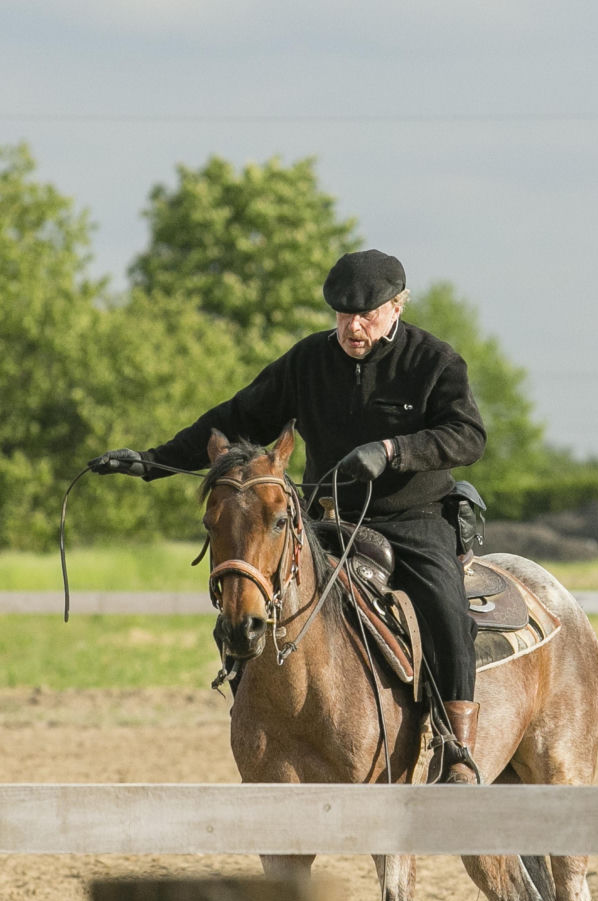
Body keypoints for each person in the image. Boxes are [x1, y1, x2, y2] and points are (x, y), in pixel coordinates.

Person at [90, 250, 487, 783]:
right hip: (325, 518)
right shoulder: (306, 362)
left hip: (413, 518)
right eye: (343, 314)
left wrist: (392, 450)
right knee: (249, 592)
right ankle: (254, 715)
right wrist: (152, 462)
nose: (353, 325)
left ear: (397, 306)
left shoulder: (434, 362)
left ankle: (455, 743)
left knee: (444, 605)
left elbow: (468, 435)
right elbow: (233, 418)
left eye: (367, 314)